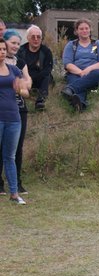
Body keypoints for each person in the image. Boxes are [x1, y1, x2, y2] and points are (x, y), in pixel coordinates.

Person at [0, 29, 31, 196]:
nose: (2, 52)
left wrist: (20, 89)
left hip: (14, 116)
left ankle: (14, 191)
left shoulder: (14, 69)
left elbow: (26, 92)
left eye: (3, 49)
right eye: (0, 49)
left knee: (11, 154)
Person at [61, 18, 99, 112]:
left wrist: (89, 69)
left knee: (96, 74)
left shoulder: (96, 44)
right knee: (77, 80)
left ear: (90, 29)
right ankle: (80, 104)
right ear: (76, 31)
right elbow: (67, 64)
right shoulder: (72, 45)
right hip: (75, 73)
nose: (84, 31)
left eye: (86, 28)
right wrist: (81, 72)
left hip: (95, 73)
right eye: (81, 29)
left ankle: (70, 89)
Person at [18, 25, 53, 111]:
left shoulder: (46, 51)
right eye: (33, 37)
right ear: (28, 38)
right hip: (25, 78)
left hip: (40, 78)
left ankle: (41, 100)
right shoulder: (21, 50)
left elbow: (48, 69)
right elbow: (17, 67)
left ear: (41, 38)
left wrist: (33, 79)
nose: (36, 39)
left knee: (47, 76)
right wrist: (27, 79)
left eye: (38, 37)